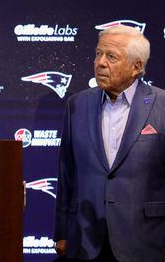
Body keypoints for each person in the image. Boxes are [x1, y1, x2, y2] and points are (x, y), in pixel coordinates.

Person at [54, 25, 165, 261]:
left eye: (111, 56)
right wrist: (62, 232)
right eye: (98, 54)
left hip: (145, 242)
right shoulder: (77, 105)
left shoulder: (162, 105)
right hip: (84, 242)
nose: (100, 63)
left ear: (136, 67)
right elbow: (67, 174)